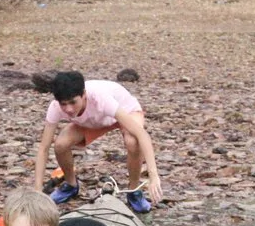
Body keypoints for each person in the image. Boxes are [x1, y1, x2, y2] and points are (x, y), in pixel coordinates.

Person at [33, 69, 163, 215]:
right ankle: (71, 185)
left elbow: (142, 135)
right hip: (93, 121)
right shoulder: (56, 107)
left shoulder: (101, 98)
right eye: (64, 104)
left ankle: (134, 191)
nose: (68, 109)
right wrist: (38, 190)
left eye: (73, 102)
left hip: (125, 112)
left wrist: (153, 176)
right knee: (60, 144)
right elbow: (44, 148)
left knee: (133, 142)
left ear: (83, 94)